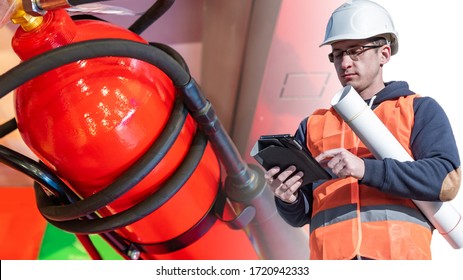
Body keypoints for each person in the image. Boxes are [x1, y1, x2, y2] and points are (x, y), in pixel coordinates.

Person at [265, 0, 461, 260]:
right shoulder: (312, 126)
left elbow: (445, 179)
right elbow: (302, 214)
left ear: (384, 54)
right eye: (337, 53)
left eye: (355, 51)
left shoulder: (417, 109)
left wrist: (366, 169)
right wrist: (287, 198)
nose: (344, 62)